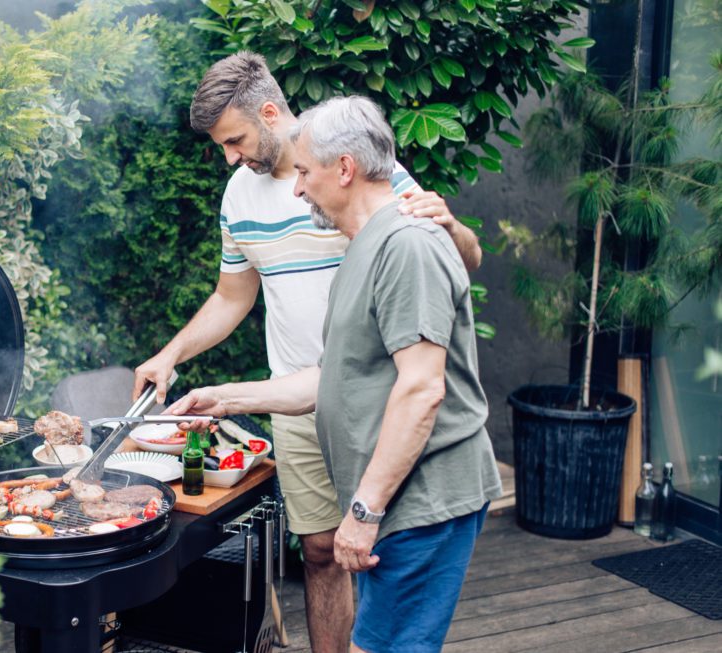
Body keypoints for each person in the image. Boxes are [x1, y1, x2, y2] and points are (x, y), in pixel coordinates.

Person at [133, 52, 482, 652]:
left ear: (272, 114)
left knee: (385, 564)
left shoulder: (376, 199)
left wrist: (450, 228)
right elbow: (232, 295)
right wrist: (197, 377)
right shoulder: (246, 196)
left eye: (235, 139)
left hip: (388, 408)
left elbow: (446, 282)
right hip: (308, 387)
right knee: (326, 552)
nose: (231, 157)